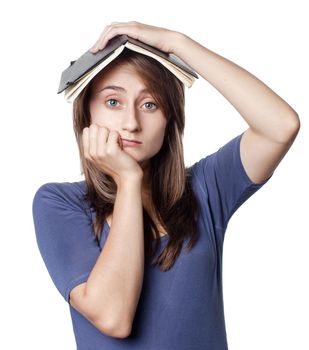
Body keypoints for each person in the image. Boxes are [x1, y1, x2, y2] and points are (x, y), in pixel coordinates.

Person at [32, 21, 300, 349]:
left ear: (169, 118)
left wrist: (178, 43)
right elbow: (113, 317)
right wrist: (128, 180)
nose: (131, 123)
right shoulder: (60, 202)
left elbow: (280, 126)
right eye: (113, 102)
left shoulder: (204, 188)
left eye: (150, 104)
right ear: (86, 113)